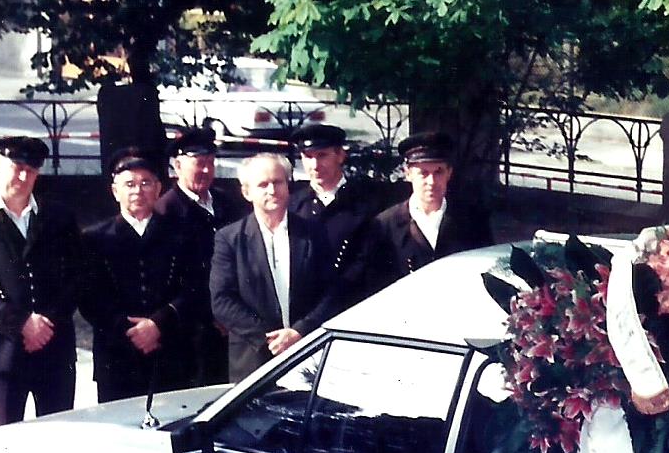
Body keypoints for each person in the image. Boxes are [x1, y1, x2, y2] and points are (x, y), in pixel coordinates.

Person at [0, 135, 85, 429]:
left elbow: (77, 275)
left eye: (31, 170)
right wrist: (21, 323)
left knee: (60, 433)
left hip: (55, 348)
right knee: (4, 439)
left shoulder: (59, 218)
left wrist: (47, 323)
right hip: (2, 353)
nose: (23, 177)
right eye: (17, 168)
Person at [80, 147, 206, 404]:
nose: (138, 191)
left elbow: (196, 287)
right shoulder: (94, 238)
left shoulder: (183, 233)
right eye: (129, 184)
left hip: (171, 351)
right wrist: (130, 331)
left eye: (146, 183)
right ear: (115, 191)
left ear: (158, 189)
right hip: (117, 355)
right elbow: (89, 296)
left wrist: (158, 324)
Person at [210, 152, 344, 381]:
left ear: (287, 186)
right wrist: (269, 338)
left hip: (308, 352)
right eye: (263, 184)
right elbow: (222, 300)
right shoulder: (229, 238)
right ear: (246, 192)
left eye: (278, 182)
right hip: (253, 360)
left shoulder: (313, 232)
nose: (272, 190)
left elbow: (331, 292)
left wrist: (300, 331)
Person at [156, 126, 247, 384]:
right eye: (199, 163)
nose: (206, 170)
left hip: (231, 323)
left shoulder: (226, 202)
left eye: (210, 163)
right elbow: (173, 279)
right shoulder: (165, 212)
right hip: (190, 329)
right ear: (177, 166)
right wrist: (212, 313)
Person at [366, 132, 493, 292]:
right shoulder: (385, 226)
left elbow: (488, 273)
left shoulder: (473, 220)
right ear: (408, 173)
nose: (431, 182)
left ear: (449, 173)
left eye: (438, 172)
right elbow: (376, 287)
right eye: (423, 173)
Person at [288, 122, 380, 301]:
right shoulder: (293, 206)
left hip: (351, 300)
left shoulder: (365, 203)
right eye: (308, 156)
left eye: (322, 155)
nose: (315, 165)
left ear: (340, 155)